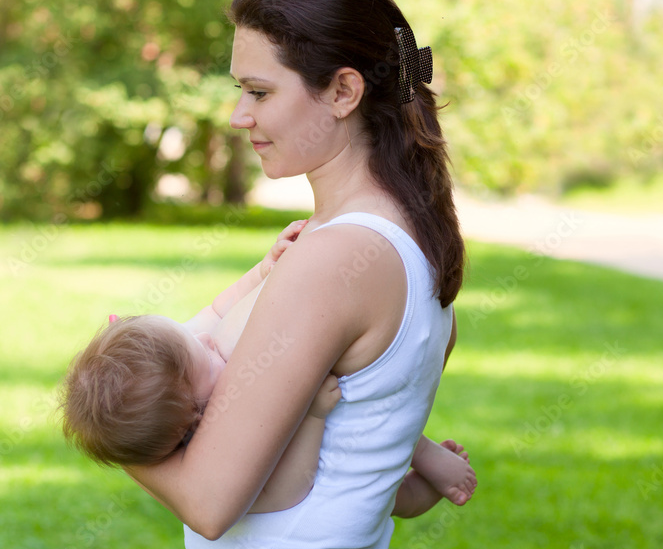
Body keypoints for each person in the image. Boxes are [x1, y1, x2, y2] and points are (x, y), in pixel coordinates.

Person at [122, 0, 470, 549]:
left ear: (343, 91)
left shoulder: (336, 259)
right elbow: (367, 477)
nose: (237, 116)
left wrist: (104, 417)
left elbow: (208, 501)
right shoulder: (413, 242)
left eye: (259, 92)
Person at [60, 220, 476, 514]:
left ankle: (425, 460)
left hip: (357, 439)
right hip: (316, 510)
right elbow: (287, 492)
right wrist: (313, 415)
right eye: (206, 357)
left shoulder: (187, 367)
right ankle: (426, 481)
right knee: (382, 500)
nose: (209, 338)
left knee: (372, 458)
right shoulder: (219, 446)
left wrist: (264, 270)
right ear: (194, 417)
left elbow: (215, 309)